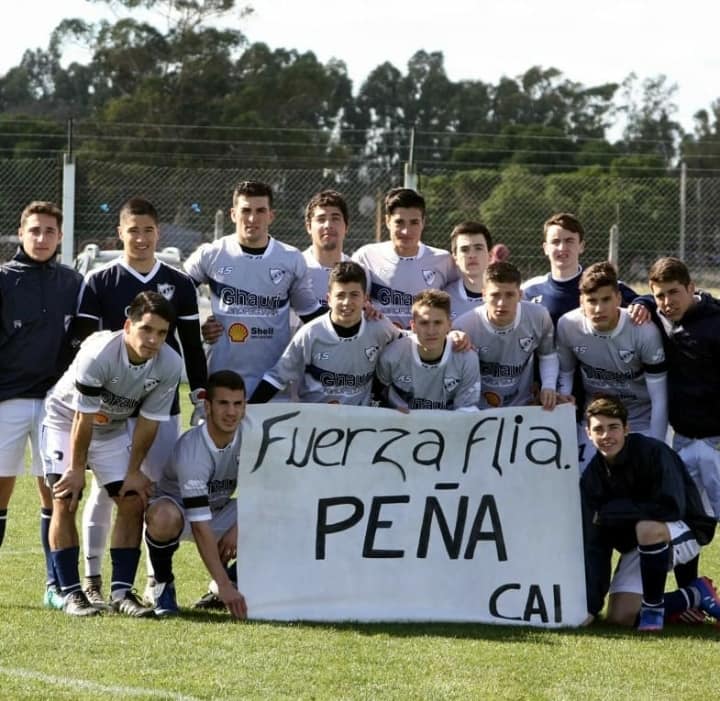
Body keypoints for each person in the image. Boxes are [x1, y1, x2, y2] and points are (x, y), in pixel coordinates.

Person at [73, 196, 207, 607]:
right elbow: (82, 344)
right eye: (133, 230)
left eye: (148, 230)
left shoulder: (179, 282)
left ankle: (153, 581)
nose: (141, 238)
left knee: (154, 489)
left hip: (160, 407)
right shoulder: (100, 281)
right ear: (120, 233)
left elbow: (191, 345)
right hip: (110, 412)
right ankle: (93, 576)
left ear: (158, 233)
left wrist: (199, 392)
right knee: (102, 491)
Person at [41, 291, 182, 617]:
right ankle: (72, 593)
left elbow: (148, 424)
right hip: (66, 420)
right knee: (65, 497)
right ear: (127, 325)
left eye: (161, 333)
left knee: (132, 499)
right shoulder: (100, 352)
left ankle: (121, 593)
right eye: (146, 329)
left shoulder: (170, 364)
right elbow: (82, 418)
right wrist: (77, 469)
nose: (153, 340)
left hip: (111, 429)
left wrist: (134, 470)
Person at [0, 201, 82, 610]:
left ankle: (56, 586)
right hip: (8, 400)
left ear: (60, 236)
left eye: (49, 232)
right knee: (1, 494)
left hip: (57, 405)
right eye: (34, 231)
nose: (42, 238)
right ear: (21, 232)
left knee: (55, 494)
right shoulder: (3, 278)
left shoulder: (73, 281)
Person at [580, 395, 719, 631]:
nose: (606, 436)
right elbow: (595, 546)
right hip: (641, 542)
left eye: (613, 428)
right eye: (599, 429)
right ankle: (695, 595)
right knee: (619, 616)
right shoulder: (592, 478)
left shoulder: (653, 452)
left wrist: (613, 513)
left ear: (626, 428)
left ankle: (653, 613)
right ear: (588, 433)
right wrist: (591, 608)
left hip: (686, 527)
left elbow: (671, 507)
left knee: (647, 527)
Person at [184, 180, 322, 396]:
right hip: (221, 383)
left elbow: (312, 316)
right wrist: (199, 326)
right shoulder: (211, 254)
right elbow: (175, 293)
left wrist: (360, 317)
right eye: (245, 210)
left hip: (274, 388)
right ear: (233, 214)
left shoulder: (290, 259)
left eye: (260, 211)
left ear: (271, 215)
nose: (252, 218)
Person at [144, 370, 248, 619]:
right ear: (207, 406)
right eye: (223, 403)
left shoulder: (252, 435)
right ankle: (162, 584)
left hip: (219, 509)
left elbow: (269, 491)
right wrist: (220, 581)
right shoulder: (193, 451)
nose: (231, 412)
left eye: (238, 404)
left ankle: (232, 580)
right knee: (162, 517)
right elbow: (201, 526)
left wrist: (239, 527)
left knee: (281, 511)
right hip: (182, 513)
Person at [556, 262, 668, 470]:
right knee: (581, 486)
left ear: (618, 298)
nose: (599, 309)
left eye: (606, 299)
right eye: (592, 301)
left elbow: (660, 397)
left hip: (638, 421)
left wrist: (658, 448)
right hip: (595, 423)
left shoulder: (643, 330)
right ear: (581, 301)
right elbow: (565, 374)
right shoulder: (568, 326)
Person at [250, 261, 400, 405]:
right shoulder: (311, 333)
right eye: (340, 295)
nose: (347, 302)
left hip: (358, 424)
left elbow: (408, 344)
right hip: (316, 424)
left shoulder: (379, 326)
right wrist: (250, 408)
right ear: (329, 299)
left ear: (365, 299)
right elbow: (277, 377)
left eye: (354, 295)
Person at [641, 257, 720, 520]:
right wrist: (642, 302)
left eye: (674, 292)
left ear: (691, 287)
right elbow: (635, 298)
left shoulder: (715, 322)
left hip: (716, 441)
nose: (667, 302)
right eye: (659, 295)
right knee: (685, 521)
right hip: (683, 440)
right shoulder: (659, 318)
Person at [453, 261, 558, 410]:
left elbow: (547, 355)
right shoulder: (464, 326)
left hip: (523, 406)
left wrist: (548, 386)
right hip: (478, 411)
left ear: (520, 295)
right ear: (483, 295)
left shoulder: (539, 316)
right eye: (495, 295)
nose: (502, 303)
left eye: (509, 295)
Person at [352, 187, 456, 328]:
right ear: (388, 221)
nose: (406, 231)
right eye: (399, 222)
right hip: (379, 344)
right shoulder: (366, 257)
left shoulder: (443, 260)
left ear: (423, 222)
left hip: (426, 345)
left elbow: (459, 302)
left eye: (414, 222)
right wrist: (364, 307)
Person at [522, 212, 638, 326]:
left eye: (569, 241)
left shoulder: (603, 284)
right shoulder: (529, 290)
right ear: (546, 248)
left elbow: (648, 302)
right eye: (555, 242)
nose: (562, 248)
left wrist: (643, 304)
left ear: (581, 246)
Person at [375, 289, 480, 411]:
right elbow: (377, 396)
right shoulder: (392, 356)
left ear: (449, 325)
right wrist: (391, 411)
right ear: (413, 326)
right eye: (424, 323)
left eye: (438, 323)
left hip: (447, 427)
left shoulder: (467, 358)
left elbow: (466, 410)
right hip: (401, 425)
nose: (431, 331)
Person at [302, 190, 351, 310]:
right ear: (308, 227)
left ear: (346, 227)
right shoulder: (296, 267)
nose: (328, 225)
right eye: (321, 219)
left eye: (335, 219)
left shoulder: (358, 271)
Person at [443, 221, 491, 320]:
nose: (472, 255)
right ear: (455, 257)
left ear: (489, 255)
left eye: (478, 248)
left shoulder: (507, 294)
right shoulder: (444, 299)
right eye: (464, 249)